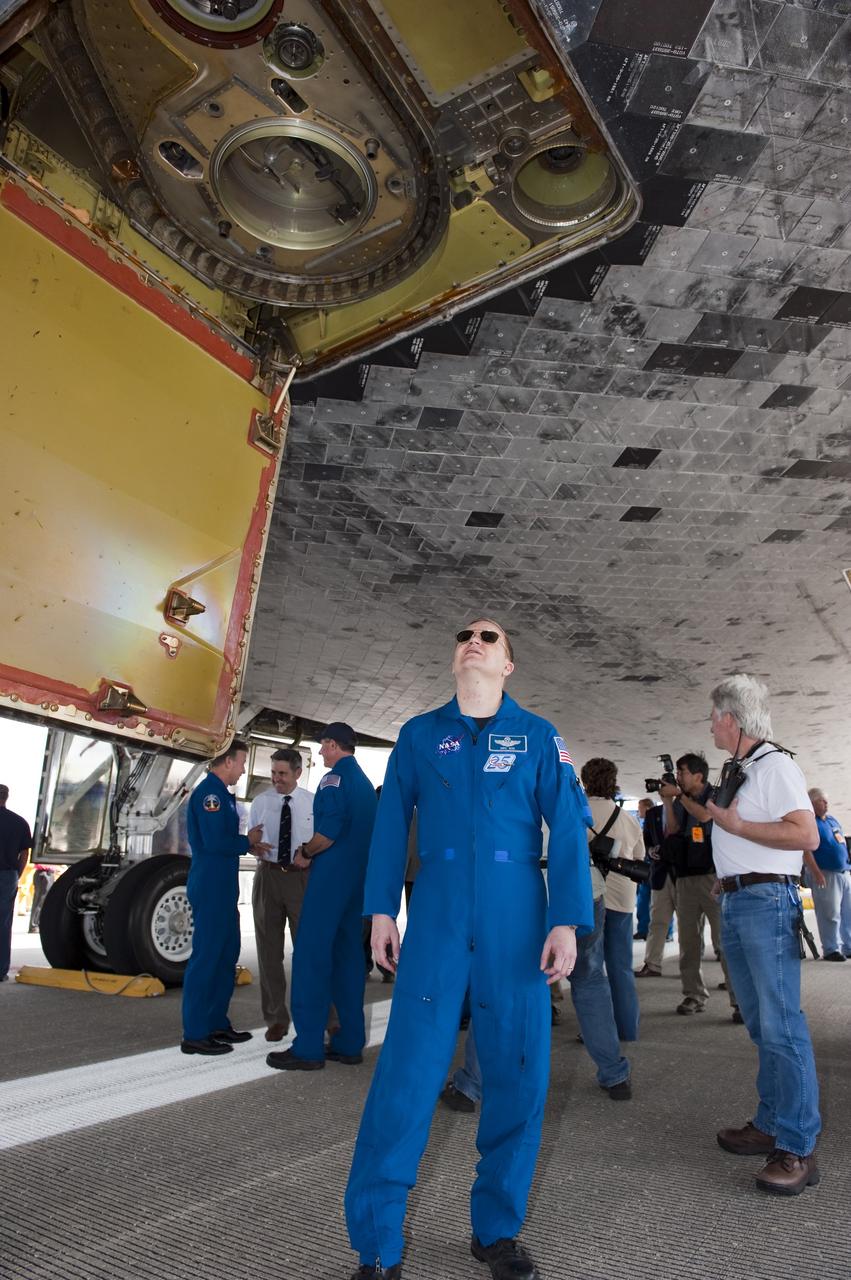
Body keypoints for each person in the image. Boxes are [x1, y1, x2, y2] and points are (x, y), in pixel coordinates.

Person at [344, 619, 594, 1280]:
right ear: (455, 659)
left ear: (507, 664)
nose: (474, 640)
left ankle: (497, 1231)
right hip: (438, 915)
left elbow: (567, 826)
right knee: (406, 1074)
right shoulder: (419, 735)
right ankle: (376, 1246)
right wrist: (379, 910)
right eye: (464, 635)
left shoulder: (539, 737)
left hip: (518, 918)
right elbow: (392, 822)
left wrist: (566, 919)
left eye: (491, 636)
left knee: (517, 1073)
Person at [706, 674, 821, 1196]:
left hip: (764, 905)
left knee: (782, 1027)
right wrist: (727, 871)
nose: (710, 724)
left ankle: (798, 1146)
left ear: (731, 719)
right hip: (739, 899)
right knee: (761, 1025)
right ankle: (771, 1122)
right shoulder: (744, 766)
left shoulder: (775, 765)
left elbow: (805, 833)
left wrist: (736, 830)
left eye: (713, 716)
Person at [266, 722, 377, 1071]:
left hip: (330, 880)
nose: (320, 752)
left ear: (331, 745)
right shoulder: (363, 784)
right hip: (357, 883)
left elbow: (327, 832)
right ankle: (349, 1042)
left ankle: (309, 1046)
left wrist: (306, 851)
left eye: (322, 746)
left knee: (311, 958)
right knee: (348, 959)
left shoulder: (333, 780)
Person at [181, 740, 270, 1056]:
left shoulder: (222, 795)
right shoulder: (210, 795)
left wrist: (246, 844)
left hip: (223, 886)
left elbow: (225, 841)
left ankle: (215, 1022)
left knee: (225, 954)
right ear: (228, 761)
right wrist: (248, 841)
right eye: (243, 762)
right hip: (210, 884)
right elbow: (216, 841)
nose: (244, 769)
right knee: (207, 957)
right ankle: (195, 1032)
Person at [658, 755, 739, 1020]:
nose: (678, 777)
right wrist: (668, 802)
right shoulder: (680, 800)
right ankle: (693, 994)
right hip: (684, 877)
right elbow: (673, 829)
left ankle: (739, 1000)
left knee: (723, 941)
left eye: (682, 772)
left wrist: (678, 796)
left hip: (713, 877)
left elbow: (705, 816)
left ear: (698, 776)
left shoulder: (716, 794)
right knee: (689, 941)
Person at [250, 747, 314, 1041]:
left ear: (298, 773)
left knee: (308, 952)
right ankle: (276, 1018)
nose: (277, 779)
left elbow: (320, 842)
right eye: (274, 772)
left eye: (283, 773)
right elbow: (252, 839)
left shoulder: (312, 803)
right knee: (268, 953)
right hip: (268, 878)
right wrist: (253, 847)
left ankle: (316, 1017)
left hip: (300, 881)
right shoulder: (260, 802)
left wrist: (311, 856)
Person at [580, 758, 643, 1042]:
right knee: (621, 967)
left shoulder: (579, 812)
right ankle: (627, 1028)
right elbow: (639, 859)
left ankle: (597, 1031)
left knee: (591, 970)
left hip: (590, 897)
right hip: (622, 899)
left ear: (585, 780)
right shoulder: (628, 818)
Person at [807, 788, 850, 961]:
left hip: (843, 872)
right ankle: (831, 948)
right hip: (825, 873)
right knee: (830, 912)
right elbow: (807, 851)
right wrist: (816, 873)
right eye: (822, 801)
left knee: (847, 911)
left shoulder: (832, 820)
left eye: (826, 801)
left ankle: (848, 945)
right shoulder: (810, 822)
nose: (826, 804)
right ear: (812, 803)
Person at [0, 785, 32, 982]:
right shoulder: (19, 822)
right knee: (3, 924)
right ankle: (1, 970)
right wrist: (16, 875)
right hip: (8, 875)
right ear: (6, 798)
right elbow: (25, 853)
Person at [634, 798, 655, 939]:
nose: (638, 810)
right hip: (645, 866)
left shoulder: (655, 822)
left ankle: (665, 932)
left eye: (640, 807)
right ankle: (643, 930)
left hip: (653, 866)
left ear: (647, 808)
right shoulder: (645, 824)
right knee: (643, 899)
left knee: (656, 901)